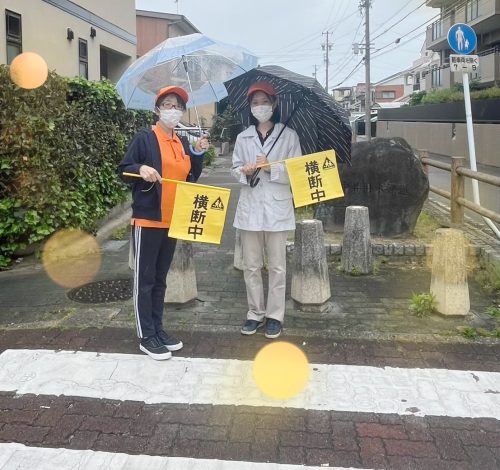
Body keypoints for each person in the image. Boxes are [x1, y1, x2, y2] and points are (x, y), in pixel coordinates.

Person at [118, 86, 209, 360]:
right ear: (157, 110)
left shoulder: (180, 142)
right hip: (148, 219)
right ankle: (146, 336)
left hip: (173, 220)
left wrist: (199, 153)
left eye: (177, 105)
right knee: (144, 281)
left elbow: (190, 176)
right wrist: (140, 169)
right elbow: (123, 169)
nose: (173, 109)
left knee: (160, 280)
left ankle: (158, 329)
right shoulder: (146, 138)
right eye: (167, 105)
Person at [231, 81, 301, 339]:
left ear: (274, 104)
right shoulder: (243, 137)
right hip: (250, 208)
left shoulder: (289, 136)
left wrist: (272, 167)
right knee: (251, 265)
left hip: (277, 207)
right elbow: (234, 169)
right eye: (255, 103)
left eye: (264, 102)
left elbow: (297, 172)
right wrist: (244, 171)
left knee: (278, 267)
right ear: (250, 107)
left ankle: (274, 315)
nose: (260, 107)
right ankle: (255, 313)